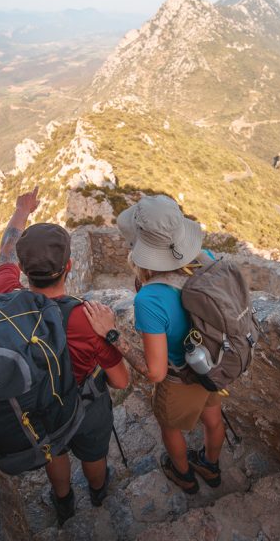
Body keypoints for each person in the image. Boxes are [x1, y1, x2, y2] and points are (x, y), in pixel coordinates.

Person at [0, 186, 129, 524]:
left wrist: (22, 211)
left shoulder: (5, 295)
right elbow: (122, 381)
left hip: (38, 403)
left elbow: (5, 251)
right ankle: (98, 492)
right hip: (85, 406)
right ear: (69, 266)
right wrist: (110, 334)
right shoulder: (87, 318)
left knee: (54, 451)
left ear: (23, 269)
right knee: (93, 453)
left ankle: (63, 500)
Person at [115, 195, 225, 494]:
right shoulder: (209, 261)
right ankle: (211, 467)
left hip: (182, 378)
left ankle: (184, 475)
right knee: (213, 418)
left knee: (170, 426)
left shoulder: (150, 299)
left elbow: (156, 372)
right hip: (215, 364)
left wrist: (114, 336)